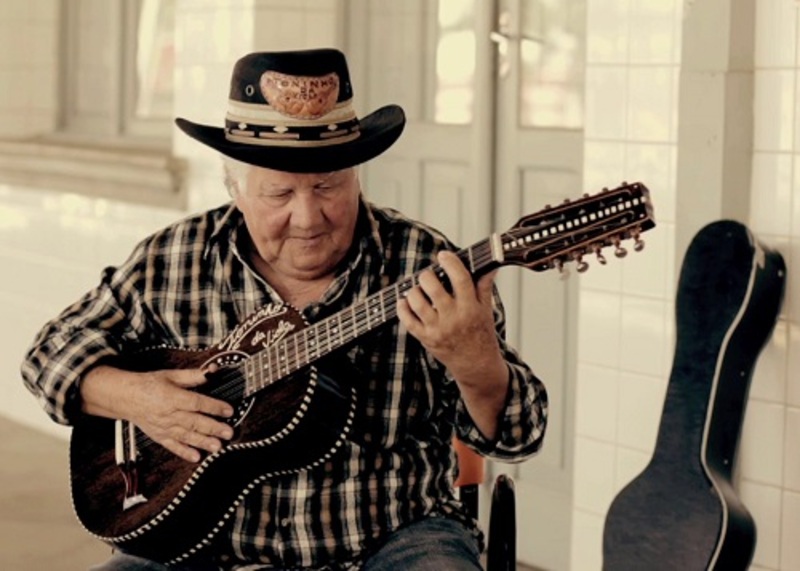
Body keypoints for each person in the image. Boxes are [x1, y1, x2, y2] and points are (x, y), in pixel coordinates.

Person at [21, 48, 548, 571]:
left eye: (328, 186)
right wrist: (137, 398)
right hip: (201, 548)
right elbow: (45, 356)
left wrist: (476, 360)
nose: (307, 217)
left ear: (357, 175)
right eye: (279, 193)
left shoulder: (428, 264)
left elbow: (521, 436)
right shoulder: (174, 256)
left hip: (395, 537)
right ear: (236, 190)